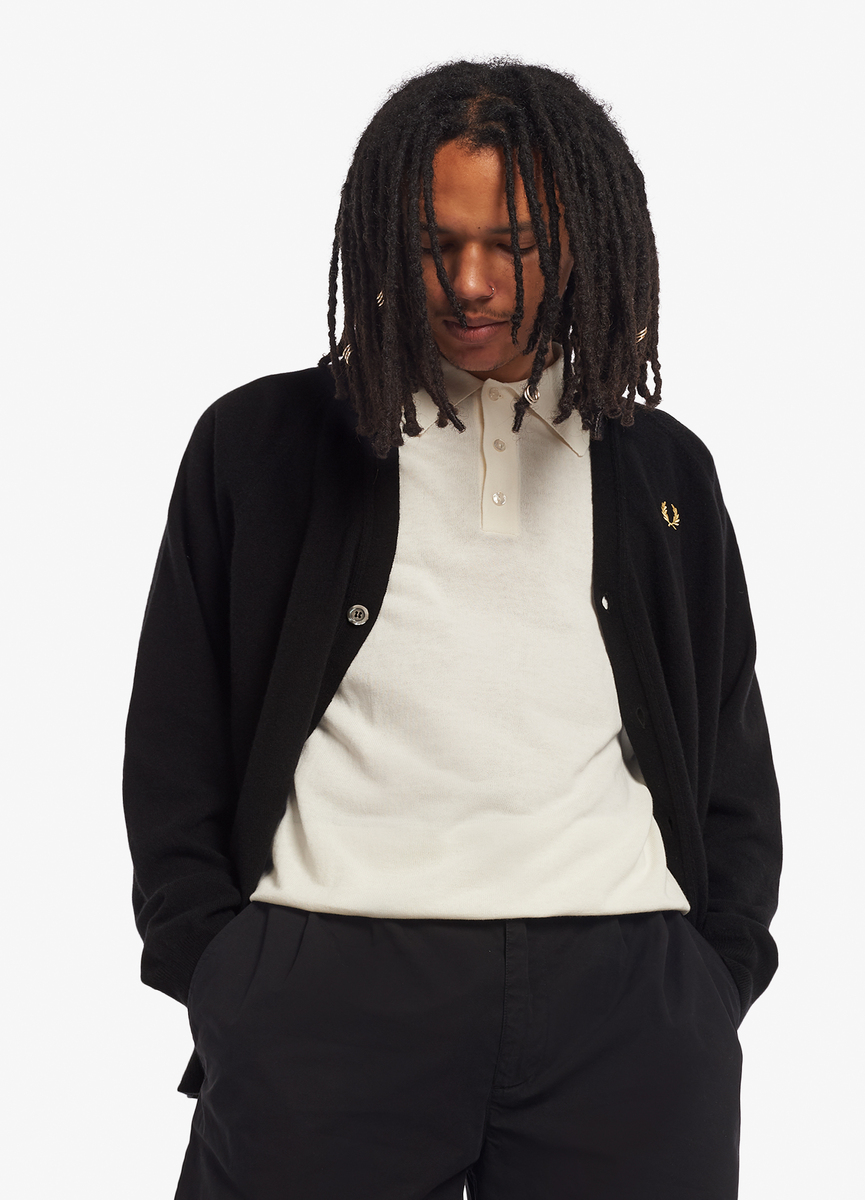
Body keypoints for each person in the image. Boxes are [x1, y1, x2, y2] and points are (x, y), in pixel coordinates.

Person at [123, 59, 782, 1200]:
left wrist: (714, 971)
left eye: (513, 246)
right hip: (325, 990)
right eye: (436, 245)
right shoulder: (261, 444)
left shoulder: (661, 468)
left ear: (580, 241)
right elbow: (174, 736)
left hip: (624, 1001)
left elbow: (728, 747)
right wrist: (221, 971)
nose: (470, 284)